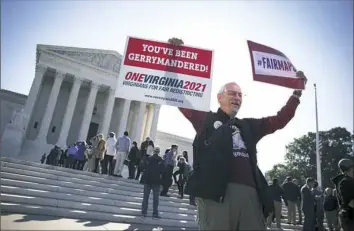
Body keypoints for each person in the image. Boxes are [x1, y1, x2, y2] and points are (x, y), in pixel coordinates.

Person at [168, 37, 307, 230]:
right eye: (232, 93)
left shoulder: (248, 126)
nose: (237, 97)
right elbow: (178, 96)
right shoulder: (205, 120)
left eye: (240, 94)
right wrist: (173, 58)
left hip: (251, 196)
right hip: (217, 194)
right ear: (219, 97)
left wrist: (296, 94)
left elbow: (279, 120)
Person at [140, 146, 164, 219]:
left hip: (148, 181)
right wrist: (162, 183)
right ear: (159, 152)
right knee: (155, 199)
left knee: (145, 197)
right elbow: (163, 173)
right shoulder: (161, 160)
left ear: (154, 151)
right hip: (156, 182)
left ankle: (144, 213)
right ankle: (155, 213)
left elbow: (142, 167)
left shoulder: (148, 159)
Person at [331, 158, 354, 231]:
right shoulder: (345, 182)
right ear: (350, 168)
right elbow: (350, 203)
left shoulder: (345, 180)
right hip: (350, 218)